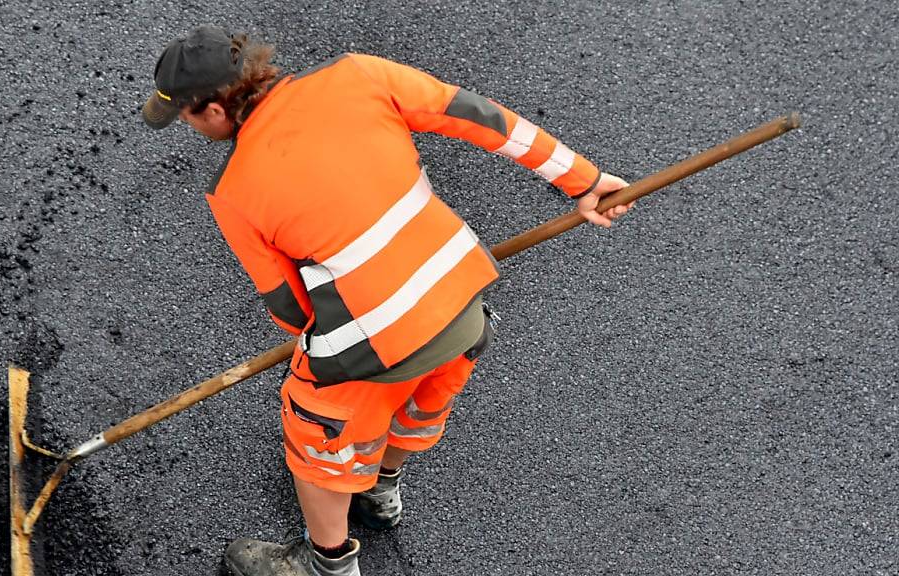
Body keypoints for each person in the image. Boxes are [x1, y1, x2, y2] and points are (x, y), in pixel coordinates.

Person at [142, 25, 634, 576]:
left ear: (212, 109)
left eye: (186, 117)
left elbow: (288, 305)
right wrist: (583, 181)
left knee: (314, 434)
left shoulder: (232, 190)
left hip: (376, 343)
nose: (190, 126)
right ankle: (378, 491)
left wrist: (328, 353)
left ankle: (325, 562)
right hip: (462, 305)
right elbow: (481, 118)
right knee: (416, 399)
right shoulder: (358, 73)